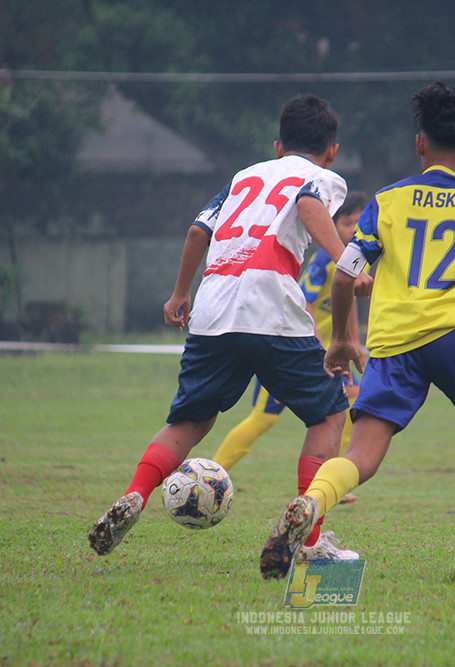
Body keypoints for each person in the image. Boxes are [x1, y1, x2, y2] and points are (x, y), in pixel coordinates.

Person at [259, 82, 455, 581]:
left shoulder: (386, 201)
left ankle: (311, 504)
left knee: (362, 454)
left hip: (392, 343)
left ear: (419, 144)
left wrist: (341, 339)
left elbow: (344, 272)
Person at [88, 94, 359, 561]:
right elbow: (312, 205)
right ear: (331, 150)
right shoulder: (322, 177)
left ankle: (136, 493)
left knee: (189, 420)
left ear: (277, 146)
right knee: (329, 414)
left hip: (213, 306)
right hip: (270, 304)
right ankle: (310, 541)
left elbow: (198, 232)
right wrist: (348, 261)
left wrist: (179, 294)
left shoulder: (243, 177)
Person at [211, 193, 371, 505]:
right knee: (263, 419)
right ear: (330, 225)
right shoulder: (326, 259)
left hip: (331, 355)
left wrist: (352, 342)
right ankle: (211, 474)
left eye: (358, 223)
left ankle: (330, 481)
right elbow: (303, 300)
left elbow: (347, 299)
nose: (353, 229)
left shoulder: (352, 258)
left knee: (351, 407)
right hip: (299, 348)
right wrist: (316, 343)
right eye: (346, 222)